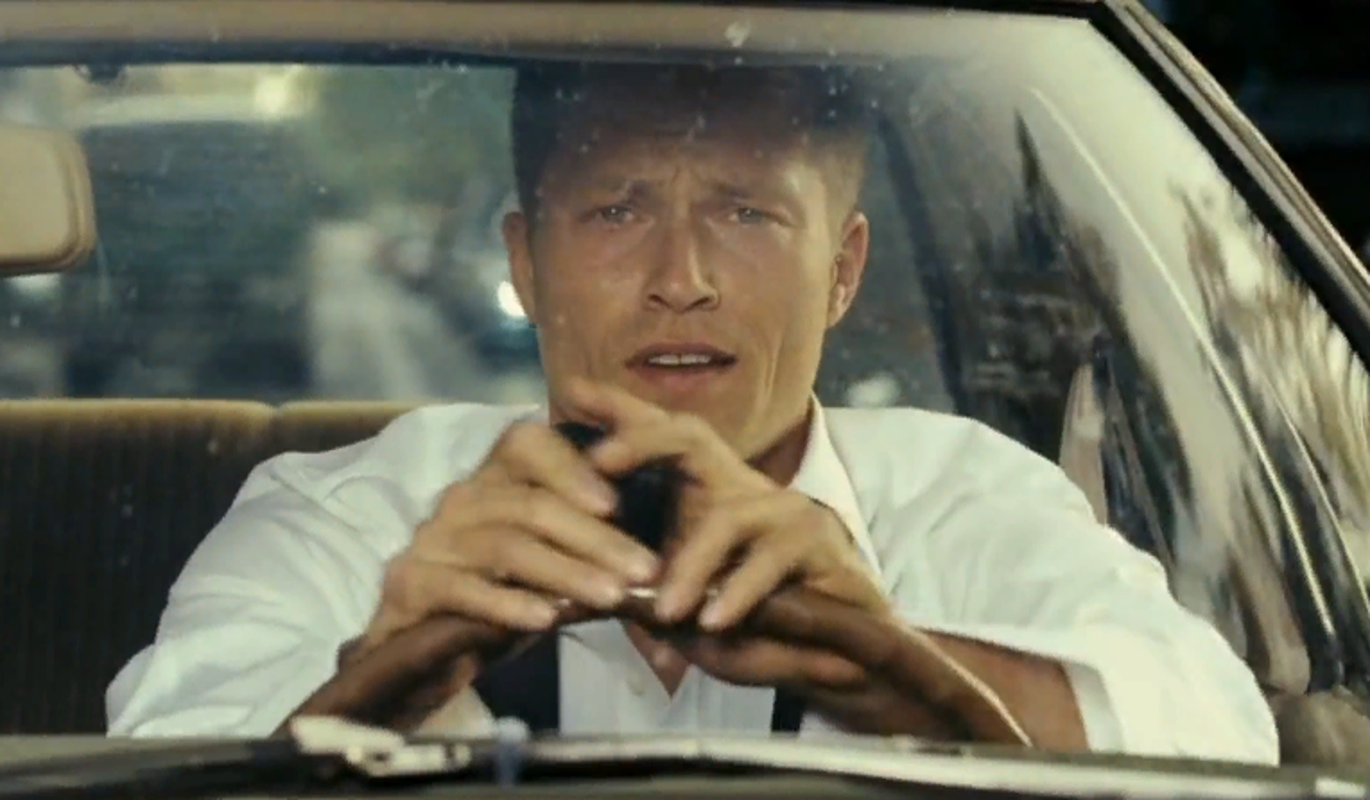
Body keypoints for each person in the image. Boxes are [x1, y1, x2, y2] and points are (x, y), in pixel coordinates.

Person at [106, 63, 1278, 762]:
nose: (681, 277)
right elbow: (155, 760)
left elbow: (1226, 734)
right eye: (615, 211)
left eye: (747, 213)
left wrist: (894, 663)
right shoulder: (340, 512)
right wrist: (389, 665)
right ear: (525, 262)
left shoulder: (973, 496)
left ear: (841, 270)